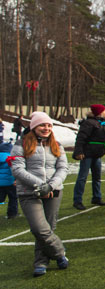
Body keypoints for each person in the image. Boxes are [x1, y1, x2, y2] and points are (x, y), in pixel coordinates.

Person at [9, 112, 69, 277]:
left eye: (49, 125)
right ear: (34, 127)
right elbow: (17, 169)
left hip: (53, 191)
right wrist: (40, 185)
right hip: (29, 193)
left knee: (49, 228)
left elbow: (63, 169)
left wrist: (50, 186)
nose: (46, 128)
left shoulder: (57, 145)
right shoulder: (21, 144)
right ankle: (60, 253)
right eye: (42, 125)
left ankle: (40, 263)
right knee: (39, 229)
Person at [0, 141, 18, 219]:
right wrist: (16, 180)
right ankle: (12, 214)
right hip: (11, 183)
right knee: (13, 198)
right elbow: (15, 170)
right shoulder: (12, 158)